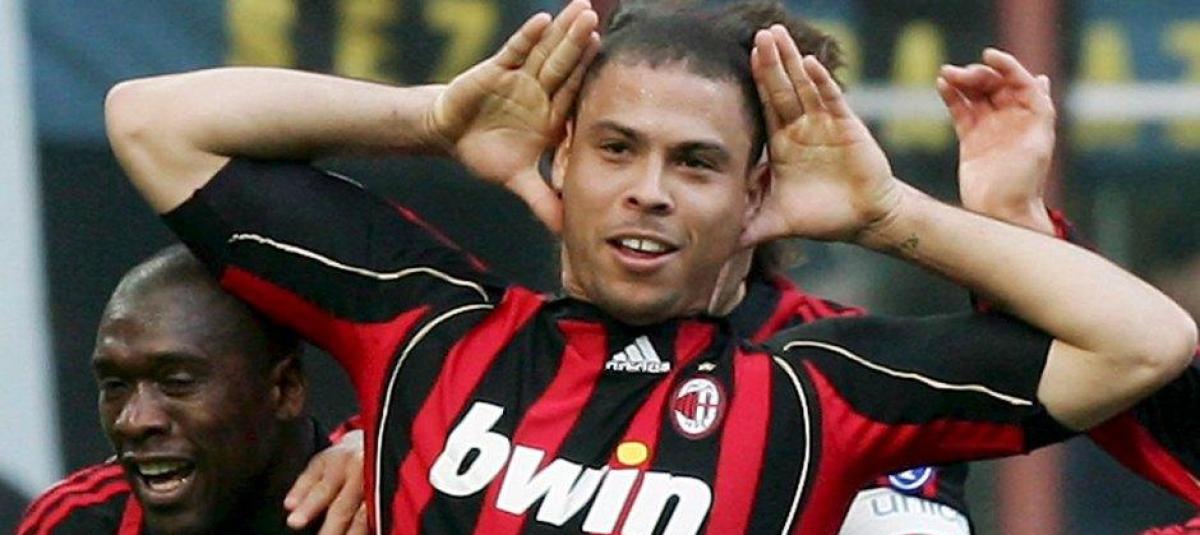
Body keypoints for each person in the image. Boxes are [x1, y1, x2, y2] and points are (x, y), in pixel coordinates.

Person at [104, 1, 1196, 534]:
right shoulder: (432, 327)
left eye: (697, 163)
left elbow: (1146, 341)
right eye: (618, 149)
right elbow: (154, 121)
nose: (651, 191)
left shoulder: (818, 392)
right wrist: (432, 119)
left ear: (756, 195)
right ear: (562, 156)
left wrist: (889, 212)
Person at [18, 246, 368, 535]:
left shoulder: (380, 497)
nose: (133, 421)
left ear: (286, 387)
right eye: (115, 386)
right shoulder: (74, 523)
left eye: (177, 382)